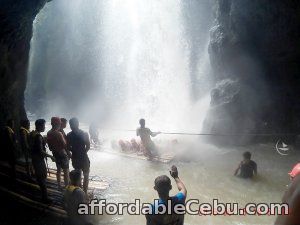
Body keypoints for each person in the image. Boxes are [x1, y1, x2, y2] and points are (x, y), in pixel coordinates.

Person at [31, 119, 54, 203]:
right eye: (43, 126)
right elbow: (41, 151)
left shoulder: (32, 134)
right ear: (39, 126)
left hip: (34, 158)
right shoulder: (38, 137)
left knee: (40, 177)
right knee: (42, 177)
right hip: (39, 160)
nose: (44, 127)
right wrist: (50, 156)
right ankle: (45, 198)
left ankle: (43, 195)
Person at [67, 118, 90, 194]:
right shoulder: (70, 135)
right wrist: (79, 152)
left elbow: (88, 146)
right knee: (81, 176)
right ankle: (82, 193)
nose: (71, 126)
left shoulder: (83, 134)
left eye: (72, 124)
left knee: (82, 175)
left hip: (80, 158)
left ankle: (83, 192)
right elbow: (88, 146)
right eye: (70, 125)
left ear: (77, 124)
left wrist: (76, 152)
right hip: (79, 158)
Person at [47, 117, 70, 189]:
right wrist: (69, 153)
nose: (60, 125)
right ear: (57, 124)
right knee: (66, 171)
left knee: (58, 170)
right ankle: (66, 186)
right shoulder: (59, 133)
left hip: (55, 153)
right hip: (62, 153)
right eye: (59, 124)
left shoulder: (48, 133)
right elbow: (64, 145)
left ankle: (59, 185)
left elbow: (50, 146)